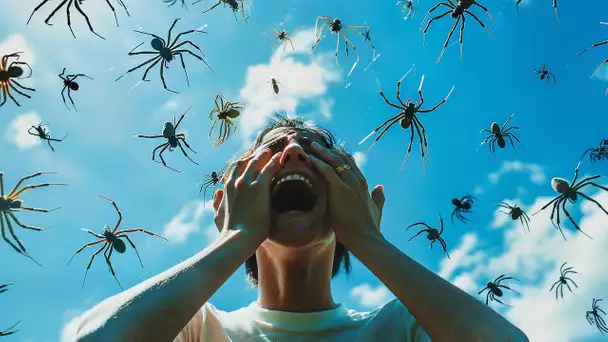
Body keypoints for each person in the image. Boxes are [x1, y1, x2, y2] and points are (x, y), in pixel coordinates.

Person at [73, 115, 529, 342]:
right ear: (230, 195)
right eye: (271, 151)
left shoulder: (400, 326)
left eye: (316, 150)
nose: (292, 153)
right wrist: (234, 237)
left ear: (358, 193)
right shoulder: (198, 328)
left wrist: (369, 239)